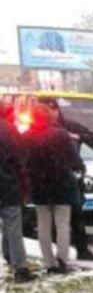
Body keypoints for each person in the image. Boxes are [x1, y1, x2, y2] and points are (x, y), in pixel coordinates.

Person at [26, 103, 83, 274]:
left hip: (39, 185)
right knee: (62, 224)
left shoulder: (28, 136)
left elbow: (25, 160)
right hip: (61, 184)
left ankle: (49, 262)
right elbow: (73, 158)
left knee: (43, 224)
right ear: (49, 116)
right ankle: (62, 261)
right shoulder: (60, 134)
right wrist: (79, 167)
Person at [43, 98, 93, 261]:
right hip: (46, 179)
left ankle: (81, 249)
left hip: (70, 178)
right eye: (47, 110)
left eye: (54, 109)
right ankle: (56, 253)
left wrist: (78, 137)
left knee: (76, 216)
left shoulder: (69, 126)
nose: (51, 114)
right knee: (52, 220)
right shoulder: (39, 130)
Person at [0, 108, 36, 282]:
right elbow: (20, 154)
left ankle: (8, 255)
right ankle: (19, 268)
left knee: (10, 225)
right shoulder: (8, 129)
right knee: (13, 226)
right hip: (6, 185)